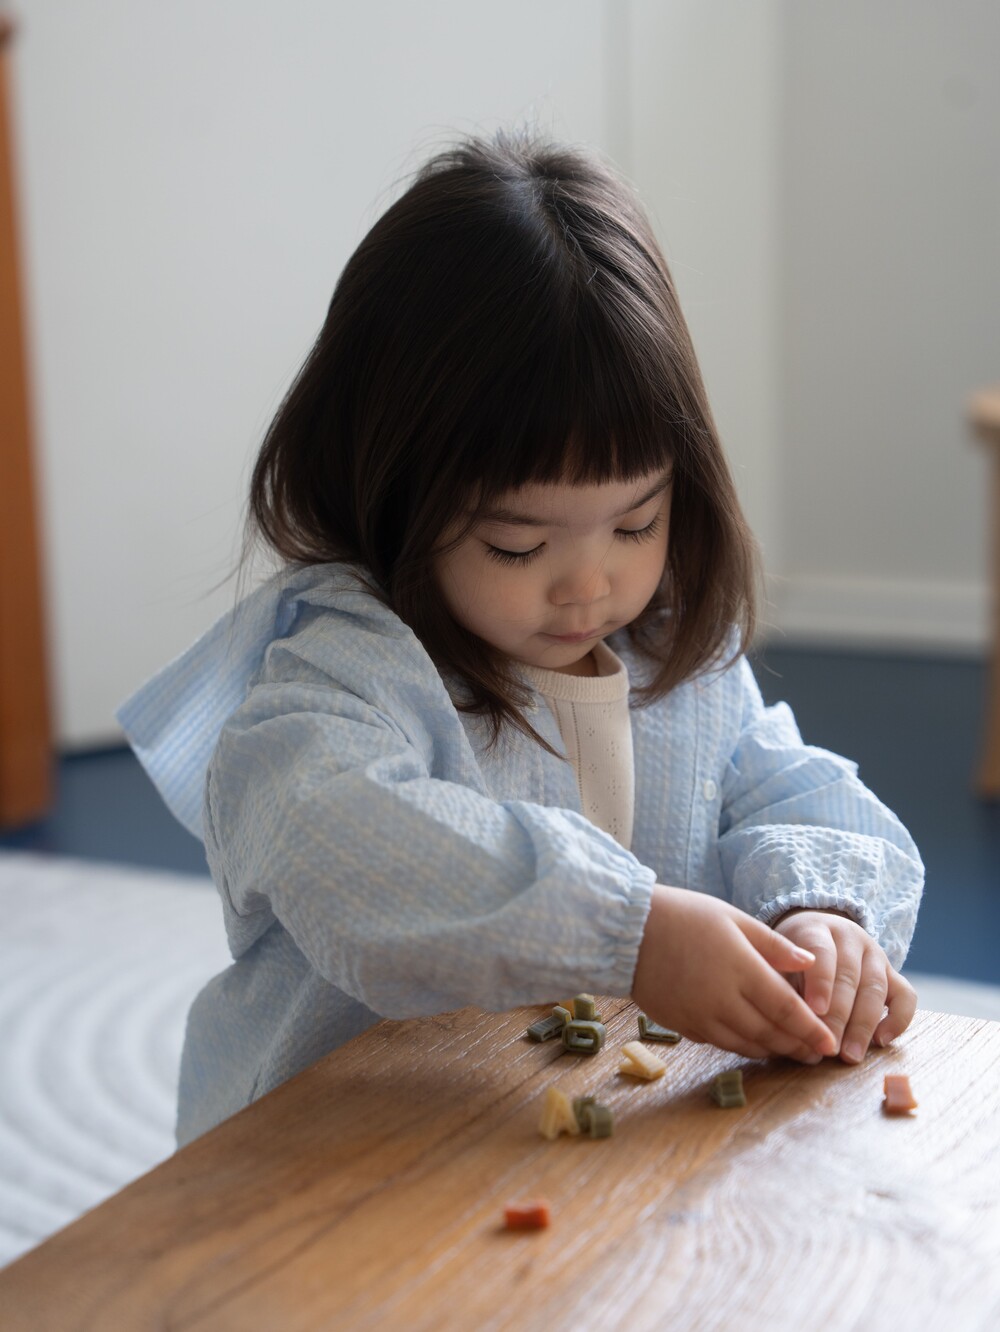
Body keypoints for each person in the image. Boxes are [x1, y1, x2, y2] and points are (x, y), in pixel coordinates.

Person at [119, 131, 923, 1145]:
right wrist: (631, 932)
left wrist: (825, 918)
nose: (590, 583)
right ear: (396, 490)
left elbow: (791, 789)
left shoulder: (671, 656)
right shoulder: (345, 669)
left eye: (636, 524)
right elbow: (343, 845)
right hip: (329, 1150)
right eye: (516, 543)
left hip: (550, 1137)